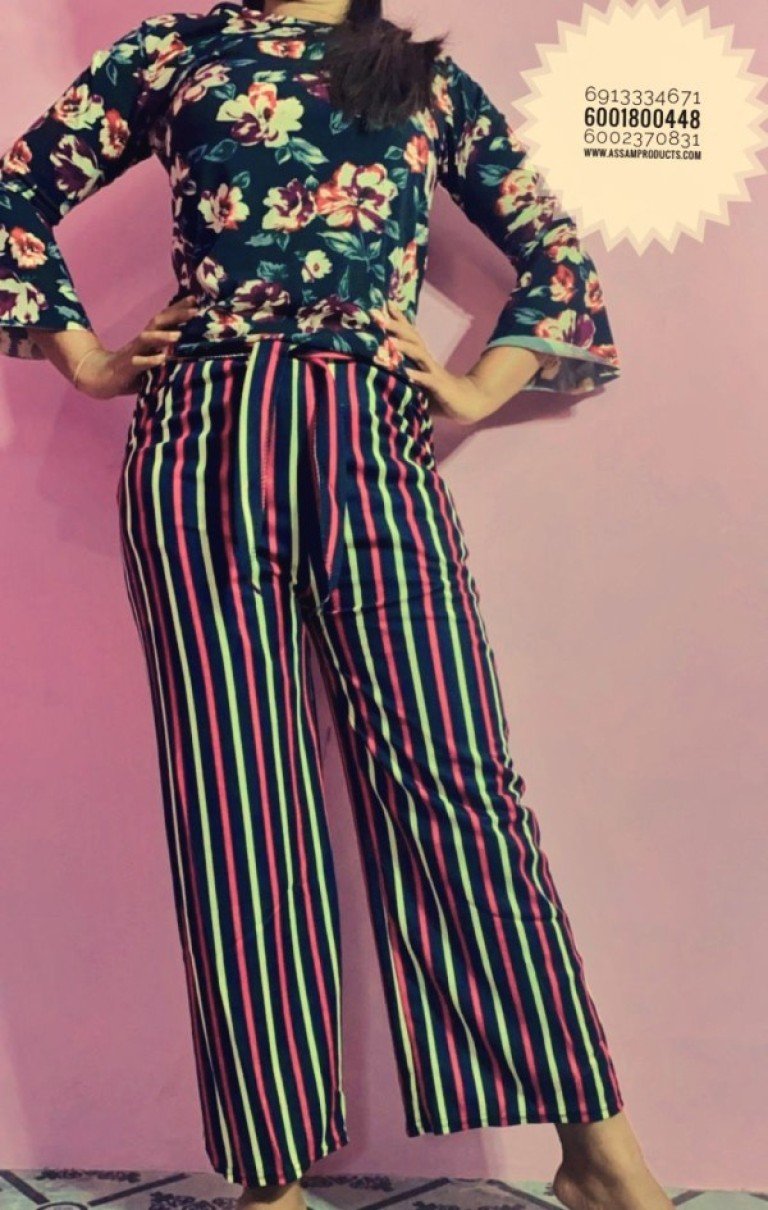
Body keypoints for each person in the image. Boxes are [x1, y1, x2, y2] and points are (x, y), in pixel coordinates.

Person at [0, 2, 674, 1208]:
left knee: (459, 785)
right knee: (238, 801)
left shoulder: (416, 77)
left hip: (374, 446)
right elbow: (17, 194)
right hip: (199, 444)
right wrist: (87, 356)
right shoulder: (171, 53)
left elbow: (554, 255)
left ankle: (595, 1151)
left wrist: (481, 383)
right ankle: (270, 1181)